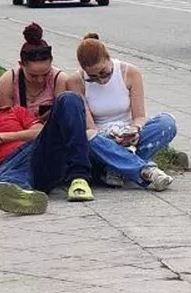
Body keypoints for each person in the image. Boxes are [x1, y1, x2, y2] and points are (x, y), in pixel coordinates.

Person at [0, 66, 94, 215]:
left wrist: (1, 137)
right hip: (2, 168)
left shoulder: (16, 112)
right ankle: (25, 195)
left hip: (37, 156)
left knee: (69, 98)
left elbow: (40, 132)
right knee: (6, 179)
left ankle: (79, 179)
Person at [66, 33, 176, 191]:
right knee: (89, 139)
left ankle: (116, 166)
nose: (101, 80)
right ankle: (145, 171)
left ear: (108, 59)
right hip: (102, 137)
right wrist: (112, 139)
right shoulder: (75, 82)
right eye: (93, 77)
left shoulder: (130, 72)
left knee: (166, 122)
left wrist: (135, 129)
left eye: (104, 73)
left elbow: (139, 116)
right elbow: (90, 128)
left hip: (128, 131)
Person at [0, 22, 65, 121]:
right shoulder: (8, 81)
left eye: (46, 74)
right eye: (33, 76)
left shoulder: (59, 79)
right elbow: (6, 119)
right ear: (21, 65)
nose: (40, 80)